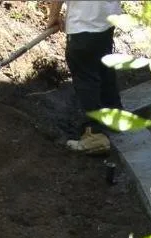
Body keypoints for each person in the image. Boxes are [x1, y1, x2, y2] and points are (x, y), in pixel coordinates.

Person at [46, 0, 122, 155]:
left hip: (83, 25)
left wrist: (53, 16)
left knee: (86, 78)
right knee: (104, 67)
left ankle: (94, 134)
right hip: (106, 21)